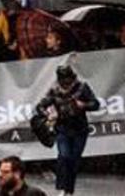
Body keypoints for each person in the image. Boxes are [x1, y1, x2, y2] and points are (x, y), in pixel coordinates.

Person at [36, 66, 99, 196]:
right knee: (64, 156)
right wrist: (48, 114)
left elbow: (96, 104)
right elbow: (40, 106)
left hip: (80, 129)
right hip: (62, 128)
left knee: (74, 159)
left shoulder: (82, 88)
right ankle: (62, 187)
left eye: (68, 80)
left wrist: (84, 105)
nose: (66, 84)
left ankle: (69, 189)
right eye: (64, 80)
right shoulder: (54, 90)